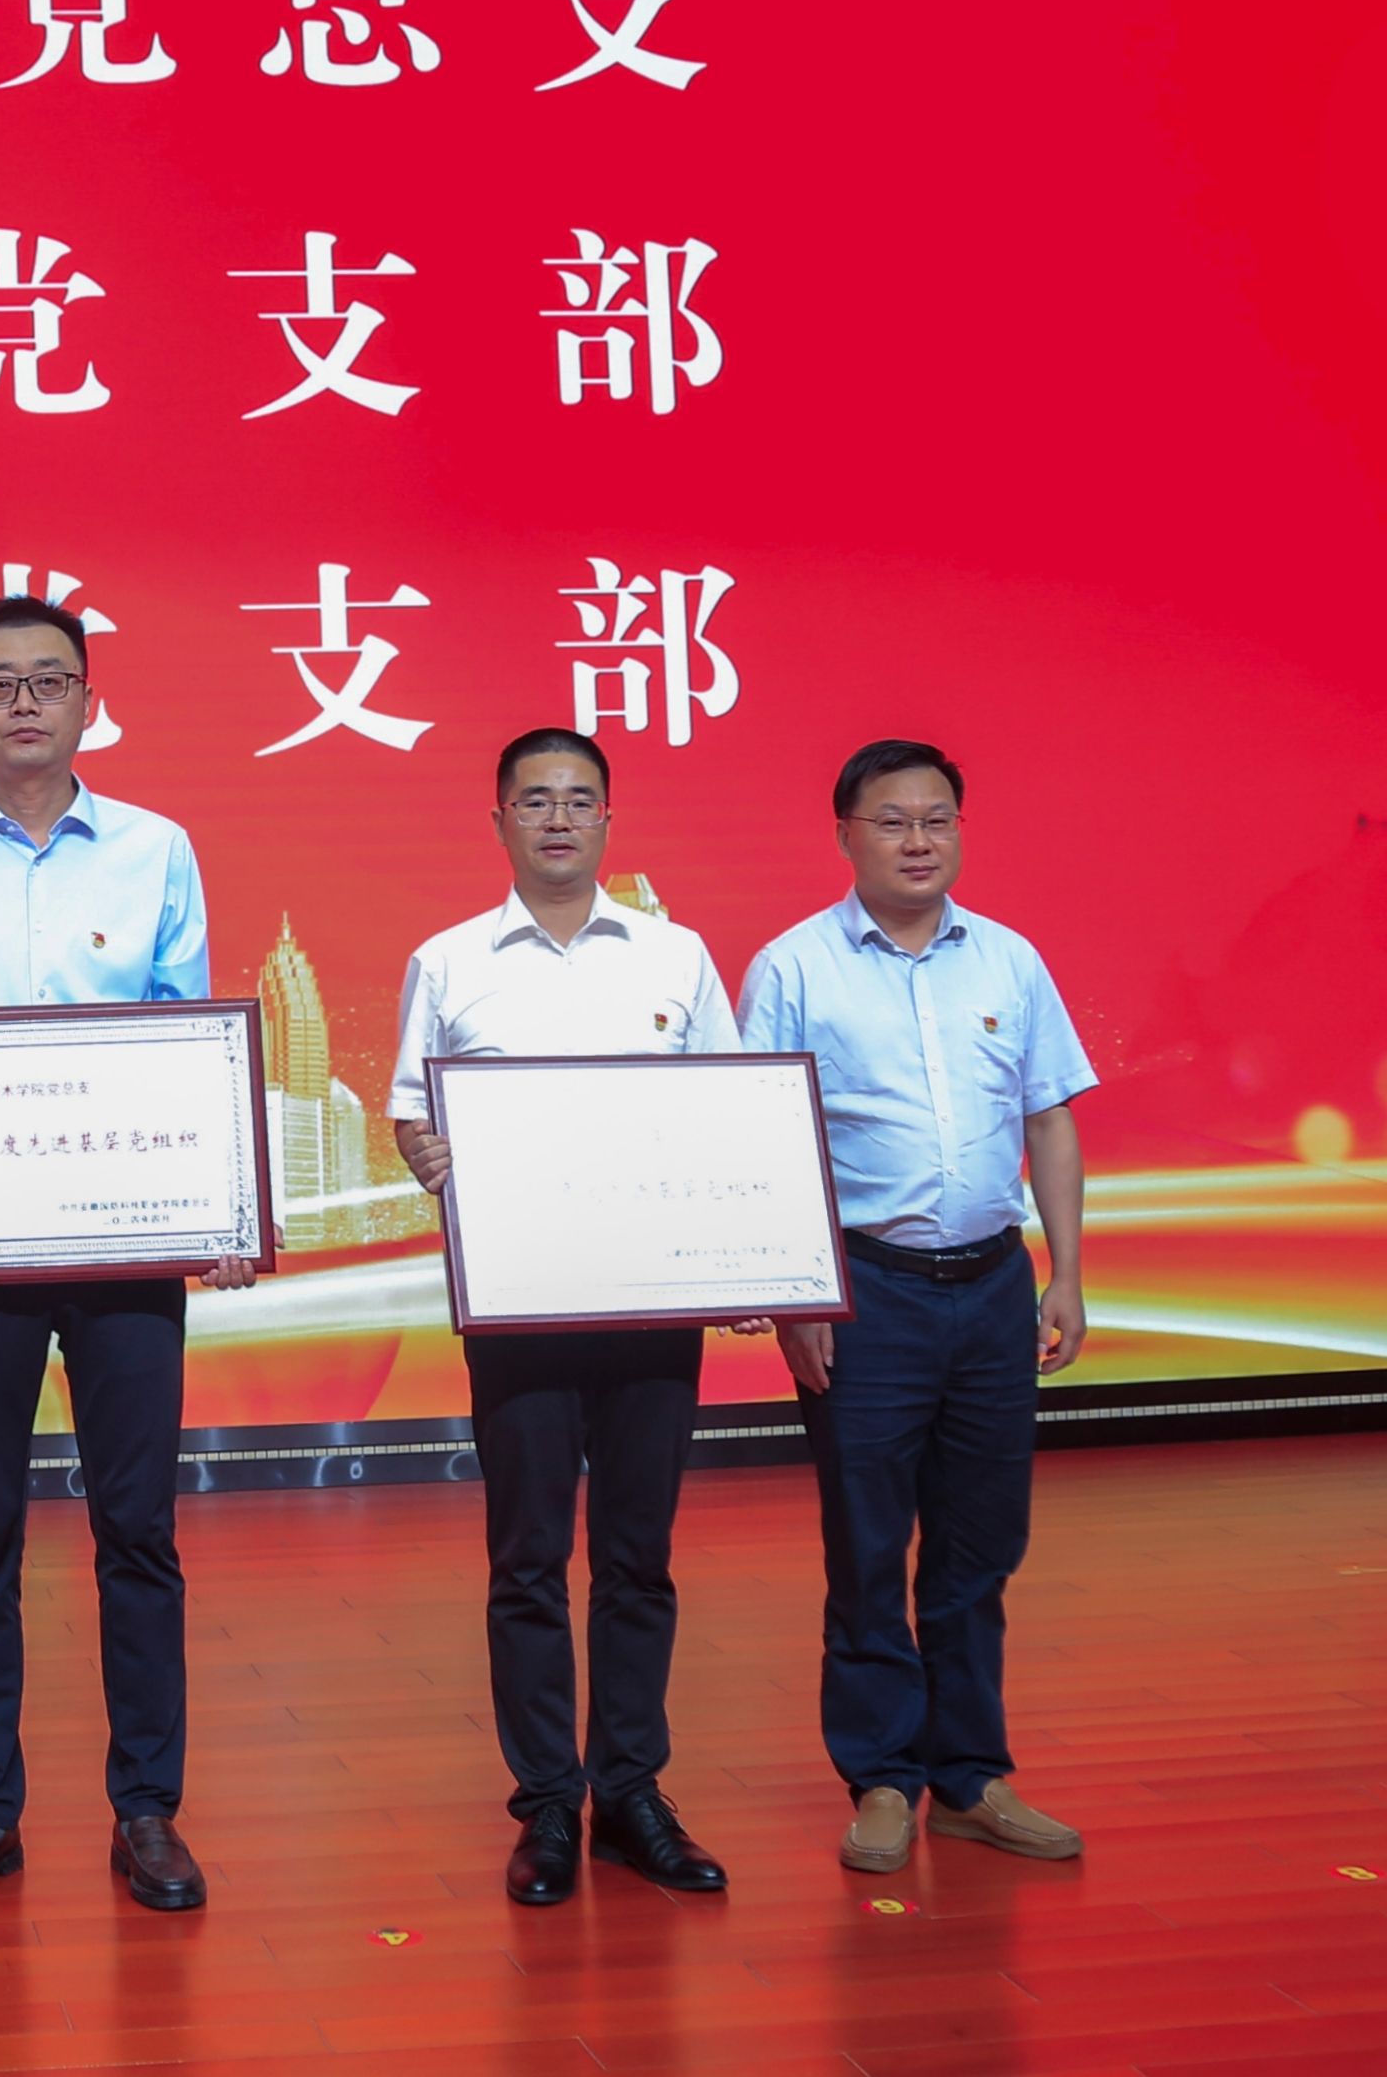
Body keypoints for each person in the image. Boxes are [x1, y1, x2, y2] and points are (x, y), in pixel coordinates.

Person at [0, 593, 256, 1920]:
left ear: (89, 701)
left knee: (138, 1528)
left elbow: (189, 1040)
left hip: (124, 1243)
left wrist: (219, 1209)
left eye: (48, 679)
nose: (24, 701)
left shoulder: (156, 850)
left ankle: (149, 1808)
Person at [389, 726, 741, 1909]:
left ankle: (630, 1791)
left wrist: (749, 1257)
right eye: (533, 799)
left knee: (638, 1557)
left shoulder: (676, 954)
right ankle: (546, 1798)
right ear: (497, 820)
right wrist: (427, 1153)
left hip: (653, 1302)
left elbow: (729, 1111)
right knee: (528, 1557)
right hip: (521, 1305)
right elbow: (411, 1112)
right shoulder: (447, 959)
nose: (556, 818)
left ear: (606, 820)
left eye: (578, 799)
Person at [739, 739, 1092, 1877]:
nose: (918, 840)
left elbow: (1048, 1115)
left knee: (981, 1543)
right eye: (892, 821)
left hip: (991, 1287)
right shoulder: (794, 966)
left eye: (937, 819)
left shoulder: (1008, 960)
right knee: (867, 1545)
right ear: (846, 834)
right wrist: (794, 1293)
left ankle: (970, 1777)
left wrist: (1065, 1270)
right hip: (865, 1293)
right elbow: (763, 1137)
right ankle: (883, 1778)